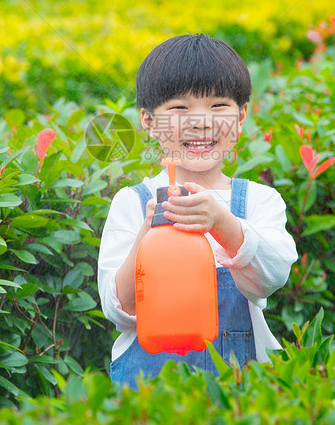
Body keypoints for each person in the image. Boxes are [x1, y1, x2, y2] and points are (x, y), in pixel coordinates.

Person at [97, 33, 298, 389]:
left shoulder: (258, 201)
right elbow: (118, 308)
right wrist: (148, 235)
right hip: (150, 393)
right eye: (179, 108)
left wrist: (223, 223)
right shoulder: (133, 202)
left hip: (239, 389)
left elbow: (273, 275)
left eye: (219, 105)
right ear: (148, 120)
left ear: (242, 116)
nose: (201, 121)